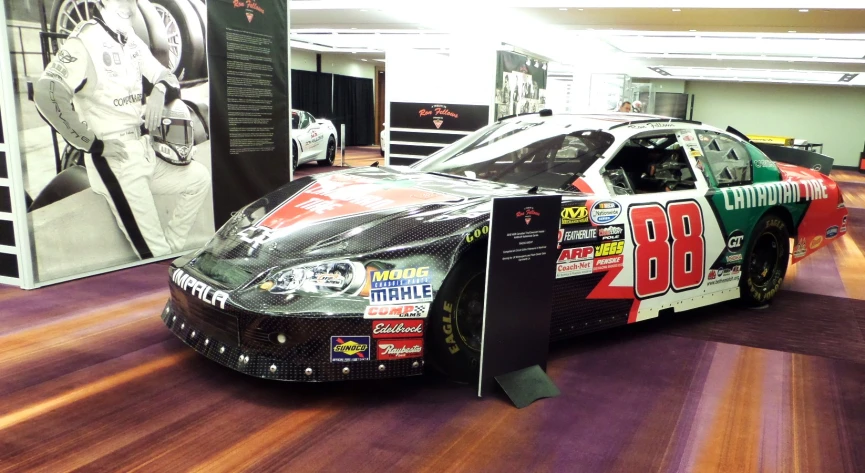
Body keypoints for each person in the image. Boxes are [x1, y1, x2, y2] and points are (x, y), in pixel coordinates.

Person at [33, 0, 210, 260]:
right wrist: (93, 143)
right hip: (116, 159)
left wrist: (160, 90)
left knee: (199, 179)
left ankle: (171, 247)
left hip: (144, 150)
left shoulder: (130, 39)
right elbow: (46, 94)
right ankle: (163, 259)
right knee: (154, 252)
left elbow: (167, 76)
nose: (128, 6)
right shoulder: (85, 40)